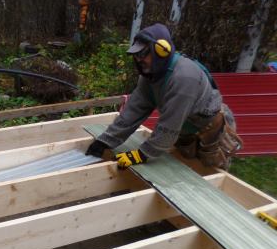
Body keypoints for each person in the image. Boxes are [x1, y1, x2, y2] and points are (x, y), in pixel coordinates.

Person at [86, 23, 242, 169]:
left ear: (161, 50)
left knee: (209, 171)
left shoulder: (184, 78)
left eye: (143, 53)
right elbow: (133, 111)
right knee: (183, 167)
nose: (139, 59)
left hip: (211, 130)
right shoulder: (151, 74)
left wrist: (141, 155)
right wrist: (105, 141)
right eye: (136, 54)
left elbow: (169, 126)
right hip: (186, 129)